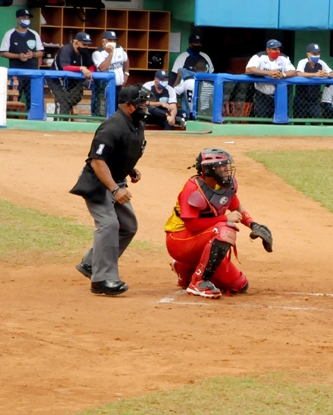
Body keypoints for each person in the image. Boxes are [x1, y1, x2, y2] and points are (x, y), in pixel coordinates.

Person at [71, 85, 149, 296]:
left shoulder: (136, 123)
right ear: (129, 106)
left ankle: (90, 264)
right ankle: (102, 279)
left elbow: (122, 150)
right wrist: (115, 189)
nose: (145, 106)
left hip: (116, 180)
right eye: (142, 102)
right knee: (108, 225)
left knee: (128, 226)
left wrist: (129, 168)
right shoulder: (112, 126)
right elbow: (97, 162)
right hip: (99, 183)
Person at [165, 149, 273, 299]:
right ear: (209, 170)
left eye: (226, 166)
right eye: (221, 167)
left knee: (239, 285)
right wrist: (225, 219)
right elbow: (192, 226)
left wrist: (253, 224)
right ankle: (199, 282)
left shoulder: (224, 185)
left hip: (201, 238)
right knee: (225, 230)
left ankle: (185, 268)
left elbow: (236, 206)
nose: (226, 171)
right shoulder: (192, 189)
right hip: (180, 241)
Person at [0, 8, 44, 112]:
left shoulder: (34, 34)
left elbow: (41, 52)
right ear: (17, 19)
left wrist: (32, 54)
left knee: (32, 99)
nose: (26, 19)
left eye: (28, 18)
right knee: (14, 99)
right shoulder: (10, 34)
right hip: (16, 74)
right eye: (24, 17)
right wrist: (18, 56)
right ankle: (11, 119)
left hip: (31, 73)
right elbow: (3, 53)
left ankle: (32, 121)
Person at [246, 39, 296, 120]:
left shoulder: (284, 58)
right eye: (274, 49)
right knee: (261, 119)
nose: (277, 51)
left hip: (278, 95)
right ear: (267, 50)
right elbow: (249, 69)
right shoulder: (259, 56)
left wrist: (283, 74)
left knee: (279, 120)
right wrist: (268, 73)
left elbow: (293, 71)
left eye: (278, 49)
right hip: (262, 94)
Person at [50, 32, 95, 116]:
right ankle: (59, 126)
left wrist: (90, 73)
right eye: (84, 44)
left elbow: (91, 65)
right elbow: (65, 67)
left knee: (71, 101)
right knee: (62, 103)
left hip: (71, 82)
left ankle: (65, 125)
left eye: (87, 44)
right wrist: (81, 68)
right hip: (56, 80)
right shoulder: (66, 49)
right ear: (76, 42)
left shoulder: (84, 52)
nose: (86, 47)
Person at [172, 35, 214, 116]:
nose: (198, 45)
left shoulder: (205, 57)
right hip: (187, 98)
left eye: (199, 43)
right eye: (195, 43)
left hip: (204, 98)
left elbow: (212, 75)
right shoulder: (182, 57)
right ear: (190, 44)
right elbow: (174, 81)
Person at [92, 29, 130, 116]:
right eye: (110, 40)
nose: (113, 42)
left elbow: (126, 60)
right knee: (105, 109)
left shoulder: (119, 49)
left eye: (114, 40)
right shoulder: (97, 53)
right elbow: (103, 68)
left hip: (119, 86)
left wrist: (126, 73)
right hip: (105, 87)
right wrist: (111, 54)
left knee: (118, 108)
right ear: (103, 42)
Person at [294, 43, 333, 119]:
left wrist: (326, 74)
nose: (317, 55)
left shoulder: (321, 63)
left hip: (314, 100)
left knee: (317, 121)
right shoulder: (303, 62)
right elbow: (299, 73)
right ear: (308, 54)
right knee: (299, 123)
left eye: (318, 53)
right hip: (301, 99)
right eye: (314, 53)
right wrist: (315, 74)